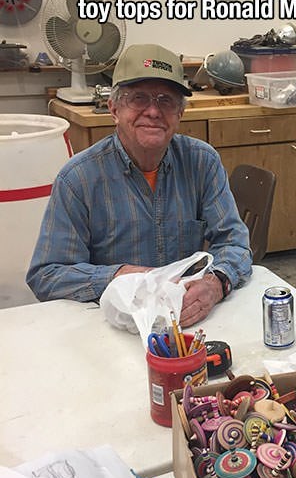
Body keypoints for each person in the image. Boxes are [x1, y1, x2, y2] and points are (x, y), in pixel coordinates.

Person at [27, 43, 252, 327]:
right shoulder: (78, 179)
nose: (153, 111)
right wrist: (119, 277)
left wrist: (216, 282)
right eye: (139, 98)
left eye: (166, 100)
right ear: (114, 109)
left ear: (180, 114)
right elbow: (47, 275)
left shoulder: (201, 162)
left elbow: (234, 243)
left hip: (187, 321)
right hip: (111, 325)